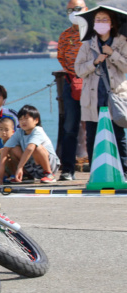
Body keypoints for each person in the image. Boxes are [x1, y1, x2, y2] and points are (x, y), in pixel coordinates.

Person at [75, 7, 127, 177]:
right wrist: (95, 61)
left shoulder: (121, 42)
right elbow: (79, 70)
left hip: (115, 97)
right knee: (92, 136)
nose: (101, 23)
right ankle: (95, 172)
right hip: (93, 97)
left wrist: (113, 54)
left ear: (112, 23)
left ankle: (124, 171)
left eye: (105, 19)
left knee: (118, 135)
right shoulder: (87, 45)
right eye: (98, 19)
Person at [57, 0, 88, 181]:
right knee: (70, 126)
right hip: (71, 81)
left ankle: (103, 163)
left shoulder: (93, 33)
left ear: (86, 10)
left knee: (96, 125)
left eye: (77, 9)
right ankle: (67, 169)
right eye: (70, 10)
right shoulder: (65, 35)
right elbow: (61, 56)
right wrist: (73, 71)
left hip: (93, 83)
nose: (73, 13)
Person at [0, 105, 60, 185]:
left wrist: (19, 167)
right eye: (21, 119)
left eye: (26, 118)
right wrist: (1, 171)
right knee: (12, 148)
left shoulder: (38, 130)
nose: (23, 121)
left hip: (50, 165)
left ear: (36, 120)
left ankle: (49, 174)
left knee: (37, 147)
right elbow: (5, 149)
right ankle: (26, 175)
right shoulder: (19, 132)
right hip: (33, 167)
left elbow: (30, 148)